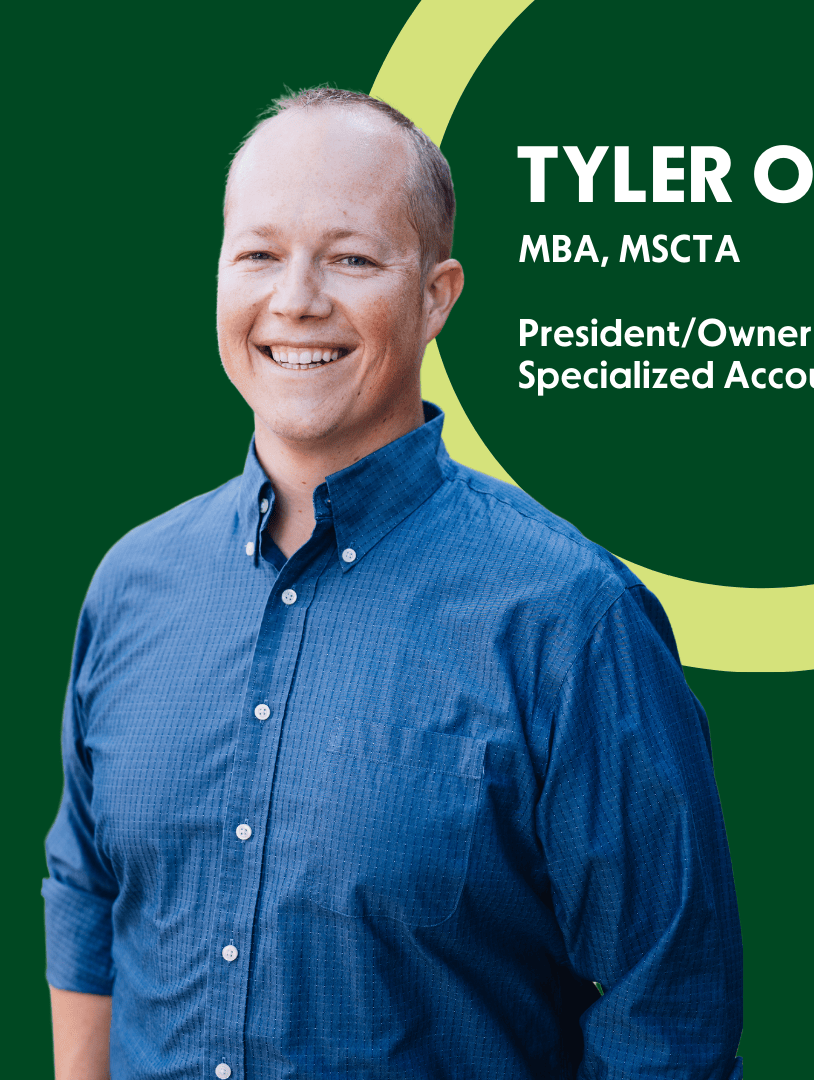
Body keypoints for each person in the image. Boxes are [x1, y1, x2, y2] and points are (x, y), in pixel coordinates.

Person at [41, 88, 743, 1080]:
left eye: (352, 259)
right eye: (259, 254)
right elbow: (88, 891)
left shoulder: (571, 618)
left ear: (437, 296)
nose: (296, 300)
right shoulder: (131, 587)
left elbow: (665, 1013)